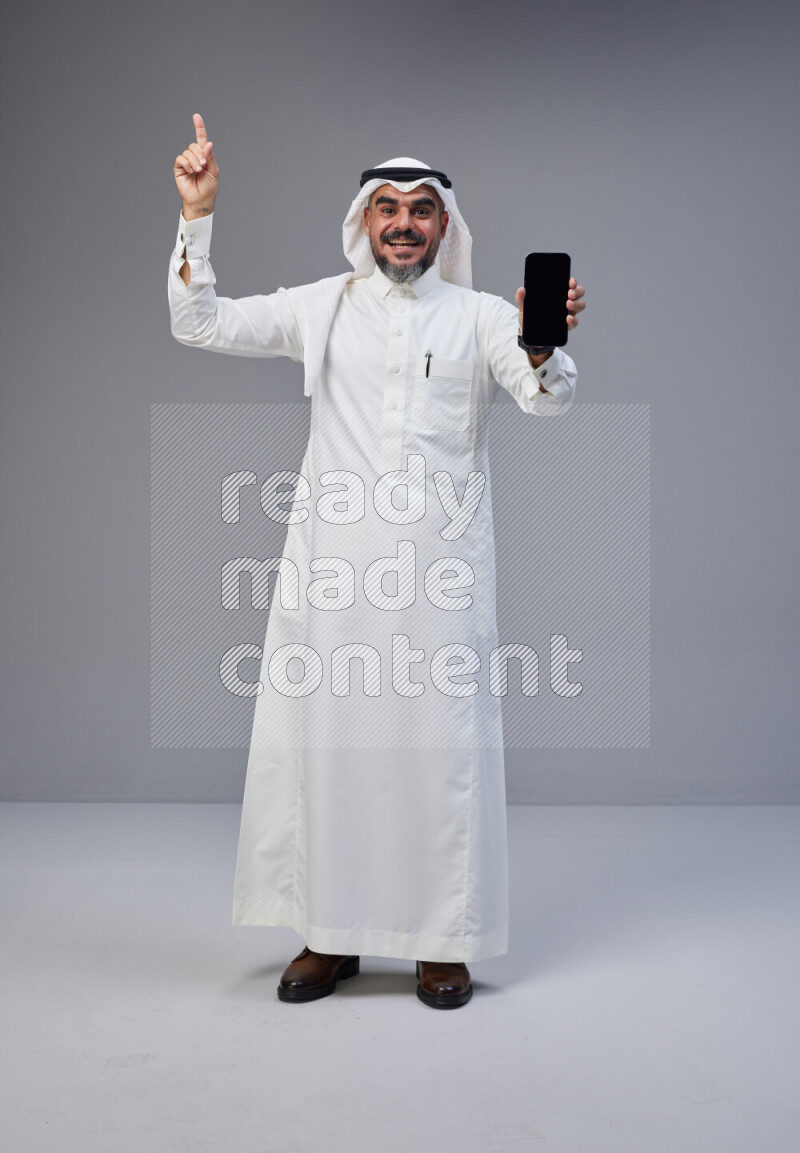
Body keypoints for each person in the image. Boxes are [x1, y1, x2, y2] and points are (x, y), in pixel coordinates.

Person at [169, 113, 586, 1010]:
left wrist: (543, 345)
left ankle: (443, 941)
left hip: (441, 578)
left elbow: (544, 399)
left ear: (445, 227)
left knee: (439, 754)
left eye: (422, 210)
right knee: (333, 751)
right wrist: (198, 214)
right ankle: (330, 932)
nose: (403, 223)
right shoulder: (321, 306)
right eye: (388, 208)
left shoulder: (480, 318)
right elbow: (198, 323)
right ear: (363, 221)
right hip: (334, 577)